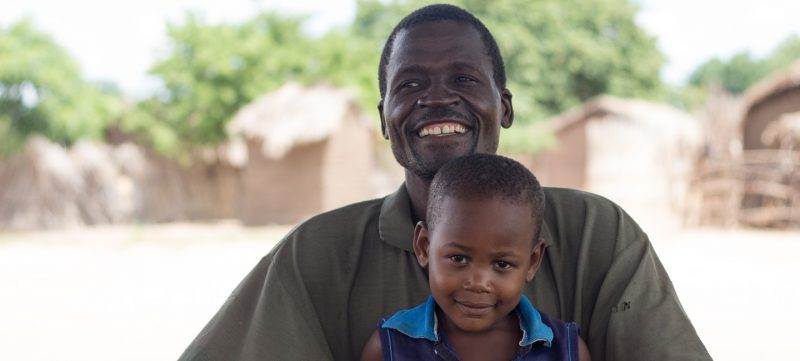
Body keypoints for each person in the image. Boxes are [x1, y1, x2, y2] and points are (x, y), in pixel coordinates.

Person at [179, 4, 710, 361]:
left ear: (503, 106)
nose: (436, 98)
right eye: (410, 84)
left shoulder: (598, 233)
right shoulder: (317, 253)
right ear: (385, 116)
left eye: (463, 79)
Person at [360, 154, 590, 361]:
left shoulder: (566, 351)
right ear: (424, 246)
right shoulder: (389, 347)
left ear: (532, 262)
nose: (478, 282)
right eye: (459, 258)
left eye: (502, 264)